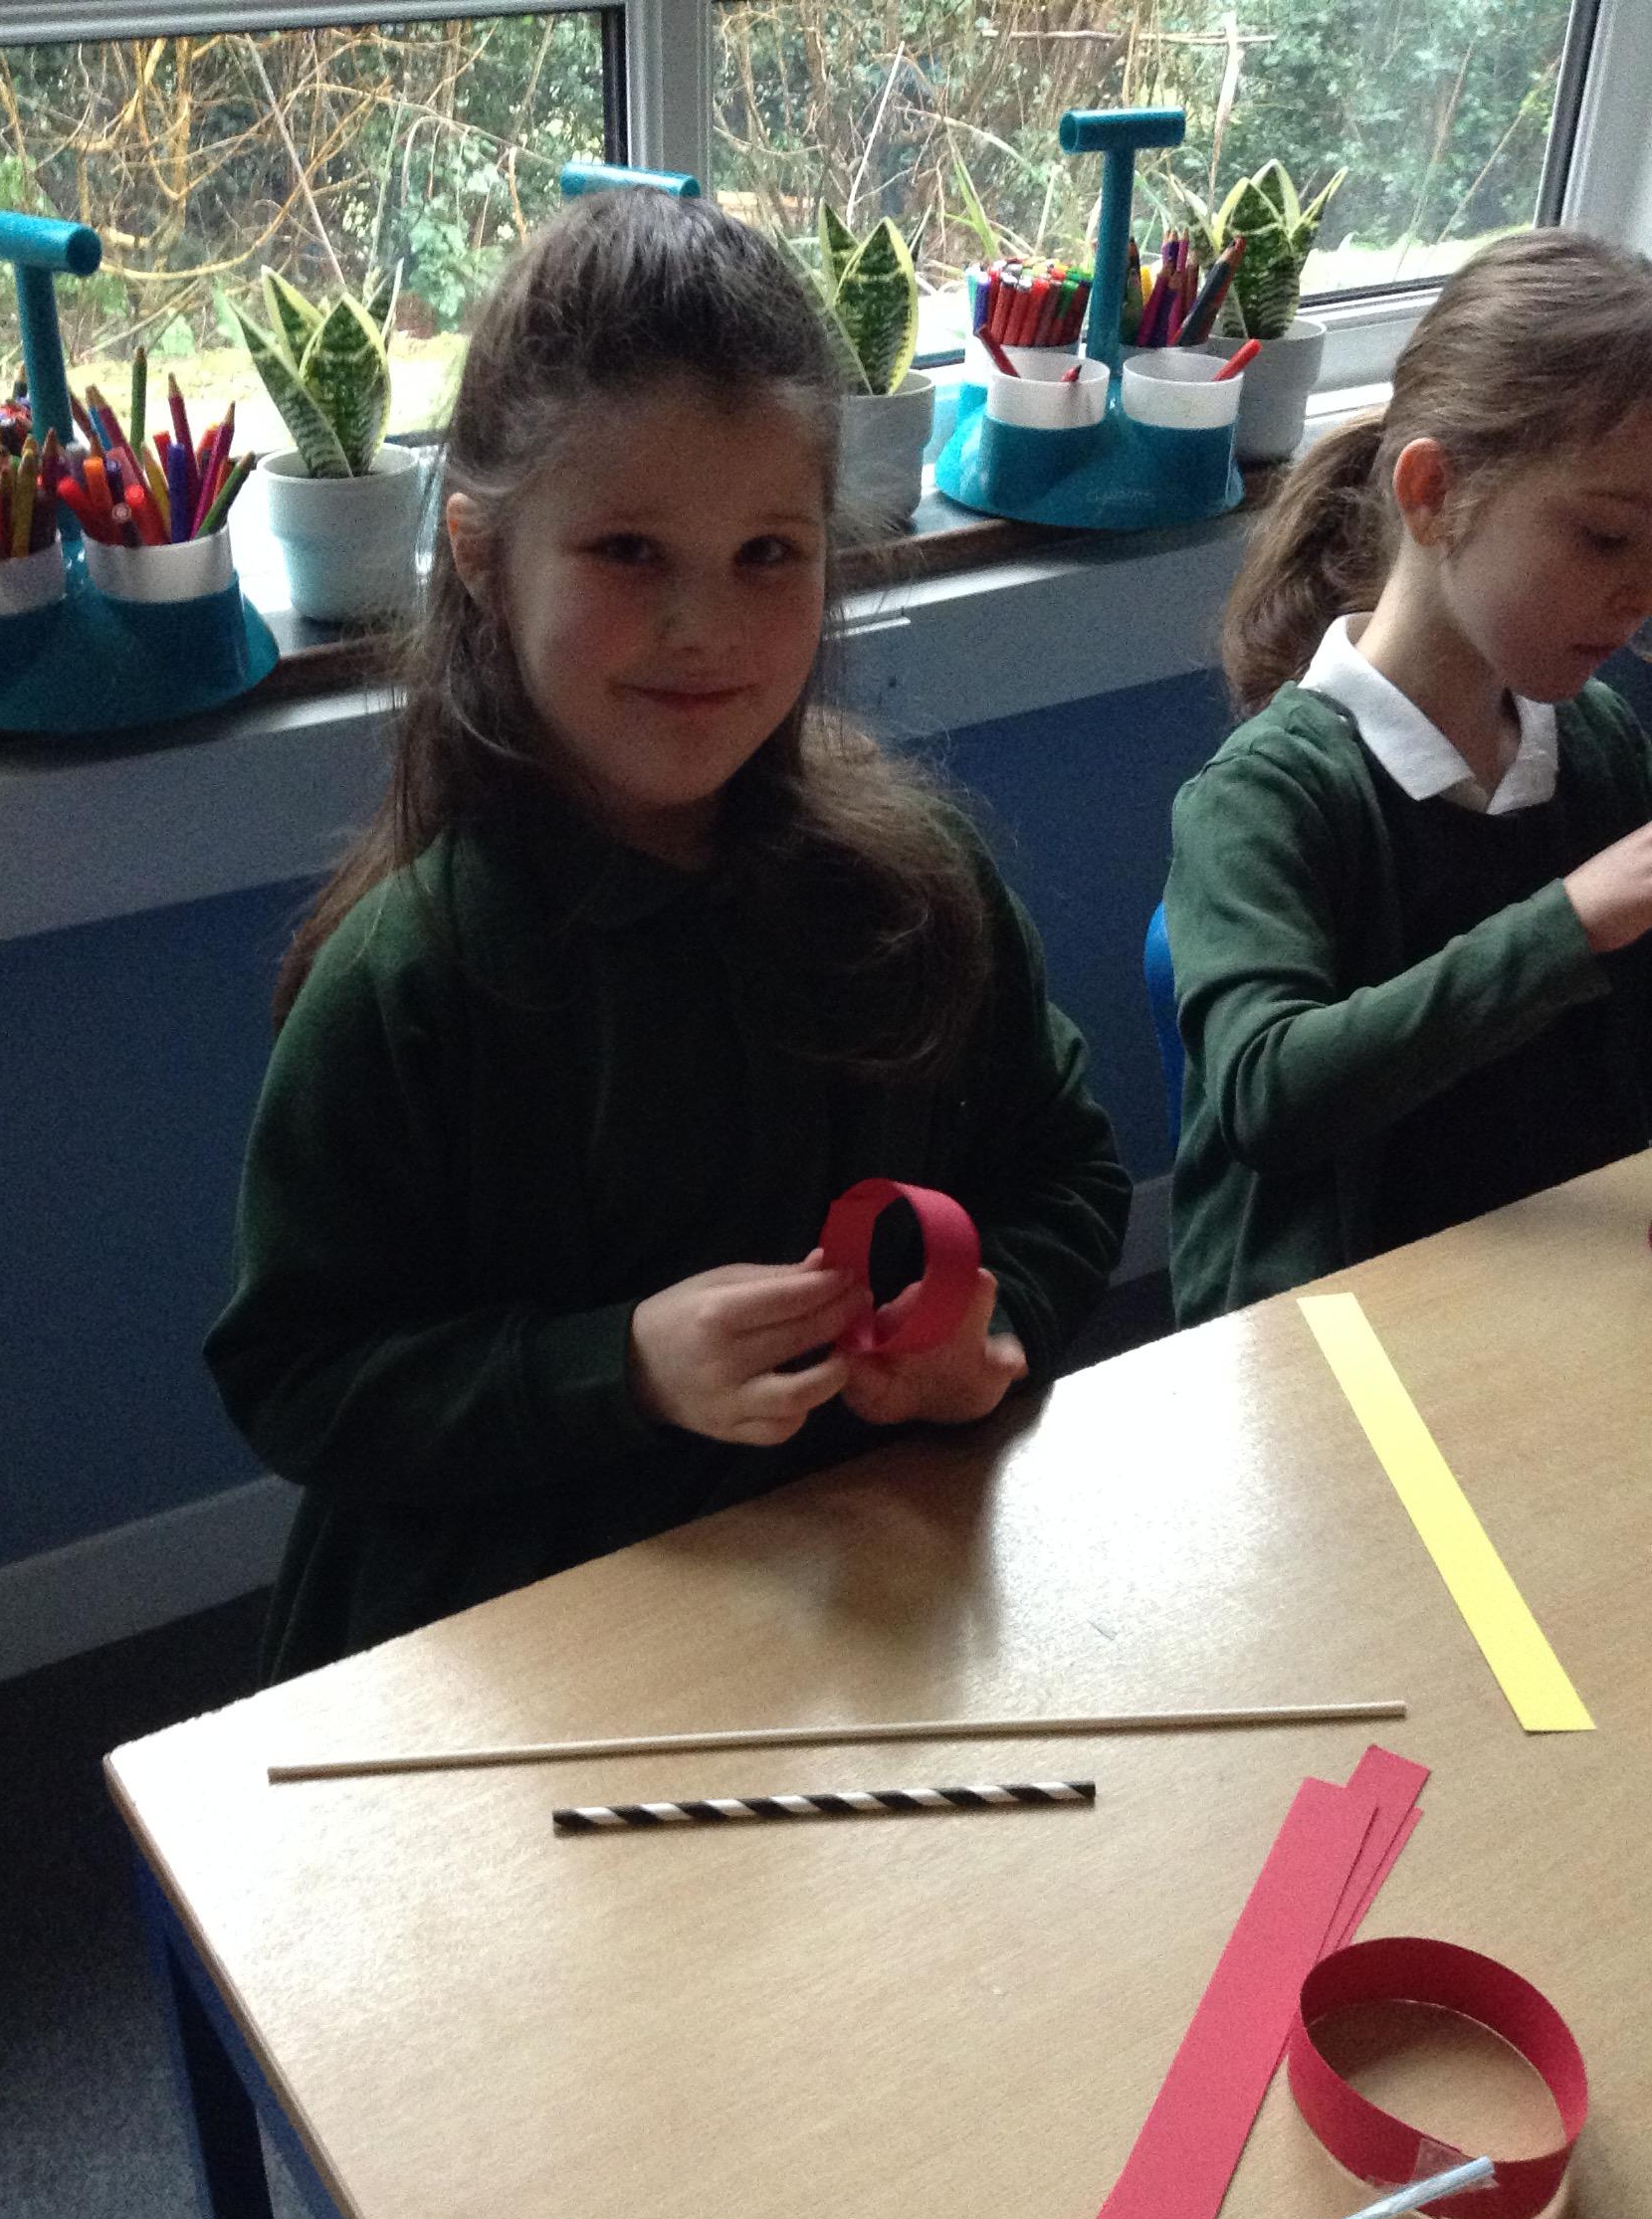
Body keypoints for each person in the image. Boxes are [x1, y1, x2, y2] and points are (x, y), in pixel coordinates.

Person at [206, 186, 1131, 1702]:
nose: (706, 627)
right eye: (629, 549)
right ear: (484, 558)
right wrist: (620, 1366)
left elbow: (1067, 1173)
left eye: (769, 552)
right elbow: (299, 1377)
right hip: (515, 1647)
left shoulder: (914, 890)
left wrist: (991, 1328)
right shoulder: (411, 982)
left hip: (857, 1599)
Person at [1166, 228, 1652, 1325]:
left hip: (1558, 1293)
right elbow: (1268, 1096)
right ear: (1431, 493)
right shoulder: (1267, 799)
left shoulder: (1600, 746)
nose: (1640, 595)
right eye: (1605, 537)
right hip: (1332, 1335)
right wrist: (1571, 922)